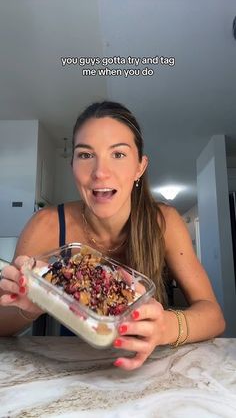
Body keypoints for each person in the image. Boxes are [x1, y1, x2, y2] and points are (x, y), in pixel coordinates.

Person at [0, 101, 225, 370]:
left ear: (139, 167)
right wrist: (29, 305)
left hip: (149, 373)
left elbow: (214, 316)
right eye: (86, 155)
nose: (100, 173)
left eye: (118, 154)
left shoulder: (164, 221)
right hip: (67, 372)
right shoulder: (45, 225)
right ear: (72, 163)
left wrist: (166, 327)